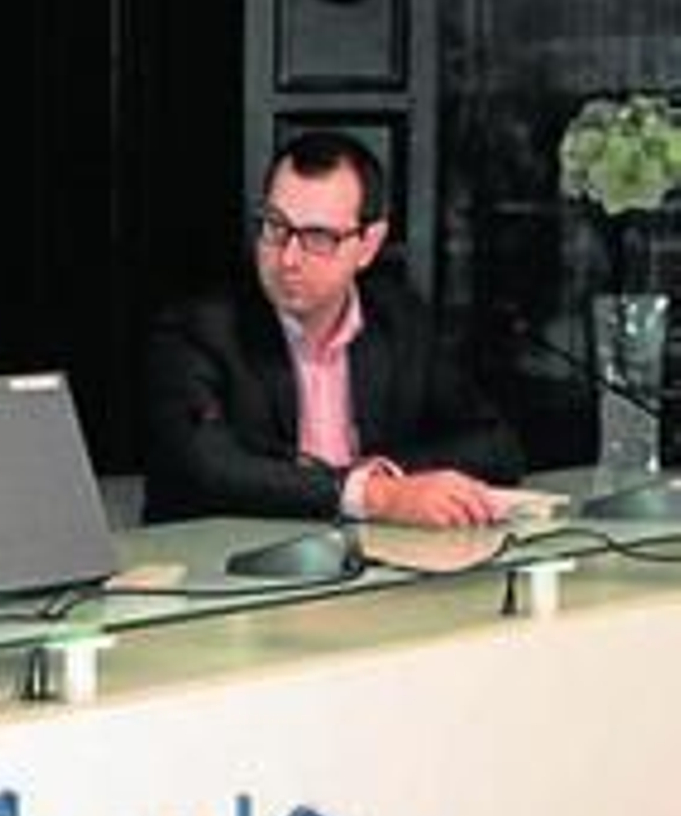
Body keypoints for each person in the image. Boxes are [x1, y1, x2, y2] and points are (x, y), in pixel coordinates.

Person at [141, 130, 524, 527]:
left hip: (374, 561)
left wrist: (385, 479)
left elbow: (496, 446)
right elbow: (207, 469)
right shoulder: (199, 328)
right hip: (234, 567)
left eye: (318, 237)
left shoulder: (398, 319)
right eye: (275, 227)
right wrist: (372, 496)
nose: (288, 258)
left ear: (368, 245)